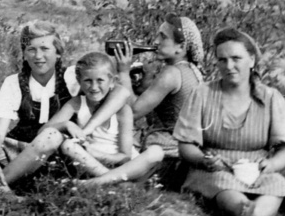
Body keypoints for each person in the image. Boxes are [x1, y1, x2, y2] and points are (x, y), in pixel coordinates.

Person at [174, 28, 285, 216]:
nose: (229, 66)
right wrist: (204, 160)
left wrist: (271, 164)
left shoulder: (270, 97)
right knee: (224, 186)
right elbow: (185, 145)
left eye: (236, 58)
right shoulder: (202, 93)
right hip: (215, 169)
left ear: (251, 59)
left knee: (277, 185)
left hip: (257, 170)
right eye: (222, 60)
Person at [79, 15, 205, 185]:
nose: (156, 40)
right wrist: (144, 84)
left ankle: (96, 176)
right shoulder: (189, 70)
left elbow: (134, 111)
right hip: (183, 150)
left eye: (163, 37)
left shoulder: (171, 73)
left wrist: (123, 71)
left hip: (167, 152)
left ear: (180, 47)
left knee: (107, 137)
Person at [0, 21, 79, 192]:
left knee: (51, 136)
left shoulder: (72, 76)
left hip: (55, 153)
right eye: (31, 49)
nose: (38, 56)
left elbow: (107, 89)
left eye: (45, 49)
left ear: (58, 53)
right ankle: (1, 188)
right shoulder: (14, 82)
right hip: (20, 147)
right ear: (24, 54)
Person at [38, 52, 149, 181]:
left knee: (154, 153)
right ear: (79, 81)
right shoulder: (77, 103)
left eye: (100, 80)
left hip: (119, 164)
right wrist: (67, 124)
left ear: (112, 81)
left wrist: (96, 154)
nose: (94, 87)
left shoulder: (123, 110)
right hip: (90, 162)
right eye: (87, 81)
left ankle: (108, 180)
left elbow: (125, 156)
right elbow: (43, 132)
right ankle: (110, 182)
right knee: (68, 146)